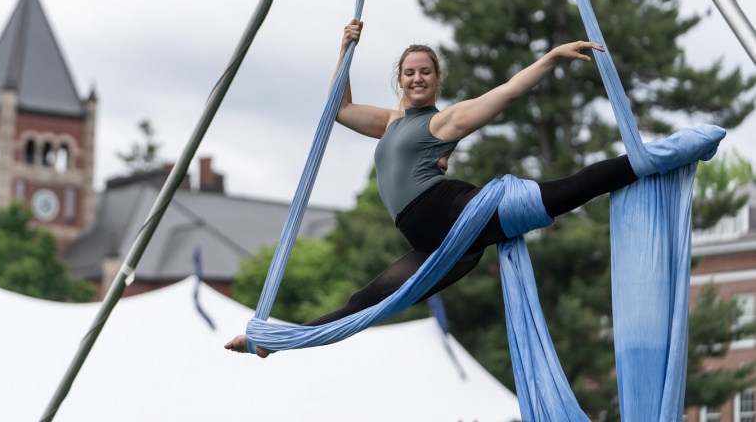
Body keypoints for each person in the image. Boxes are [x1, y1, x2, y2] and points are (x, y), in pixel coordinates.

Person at [225, 19, 719, 357]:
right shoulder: (392, 121)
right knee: (368, 300)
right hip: (441, 247)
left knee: (572, 189)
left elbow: (504, 94)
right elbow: (339, 108)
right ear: (399, 79)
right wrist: (345, 47)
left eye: (426, 72)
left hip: (461, 213)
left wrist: (549, 57)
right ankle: (278, 342)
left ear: (437, 80)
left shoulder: (445, 120)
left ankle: (666, 153)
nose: (417, 78)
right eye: (409, 72)